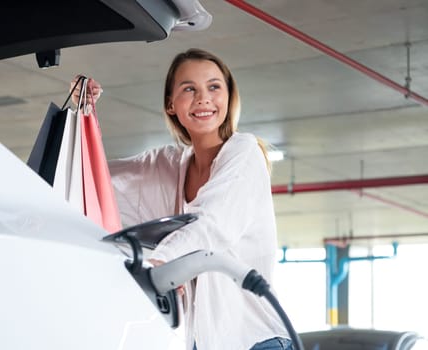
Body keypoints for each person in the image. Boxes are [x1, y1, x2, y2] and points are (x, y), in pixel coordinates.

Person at [70, 48, 292, 350]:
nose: (203, 98)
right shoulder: (169, 163)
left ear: (229, 97)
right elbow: (93, 179)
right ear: (171, 104)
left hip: (257, 341)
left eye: (214, 87)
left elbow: (212, 225)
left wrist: (160, 264)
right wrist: (83, 114)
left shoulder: (244, 152)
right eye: (189, 89)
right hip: (204, 342)